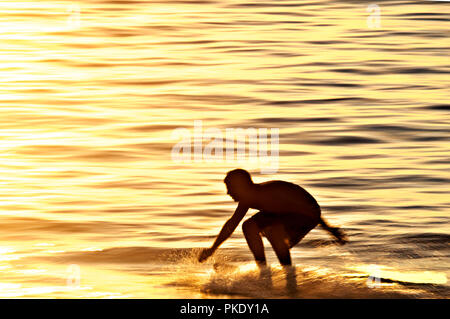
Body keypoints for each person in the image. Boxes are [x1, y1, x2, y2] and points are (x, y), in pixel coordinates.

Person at [198, 169, 347, 267]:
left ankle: (288, 273)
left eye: (230, 188)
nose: (228, 192)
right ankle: (262, 269)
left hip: (307, 214)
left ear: (241, 187)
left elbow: (307, 207)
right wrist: (213, 249)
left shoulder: (269, 193)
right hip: (284, 214)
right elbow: (232, 224)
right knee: (249, 226)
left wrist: (329, 229)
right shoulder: (249, 197)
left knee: (274, 232)